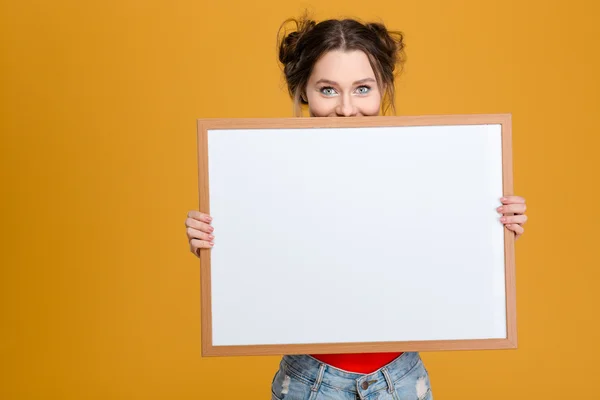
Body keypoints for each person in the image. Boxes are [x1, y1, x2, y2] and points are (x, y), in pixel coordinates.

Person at [185, 16, 528, 400]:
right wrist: (216, 241)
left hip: (401, 380)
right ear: (303, 92)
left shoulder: (427, 167)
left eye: (362, 88)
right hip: (309, 382)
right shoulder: (264, 174)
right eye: (328, 90)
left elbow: (440, 258)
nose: (347, 109)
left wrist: (491, 223)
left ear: (383, 88)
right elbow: (264, 265)